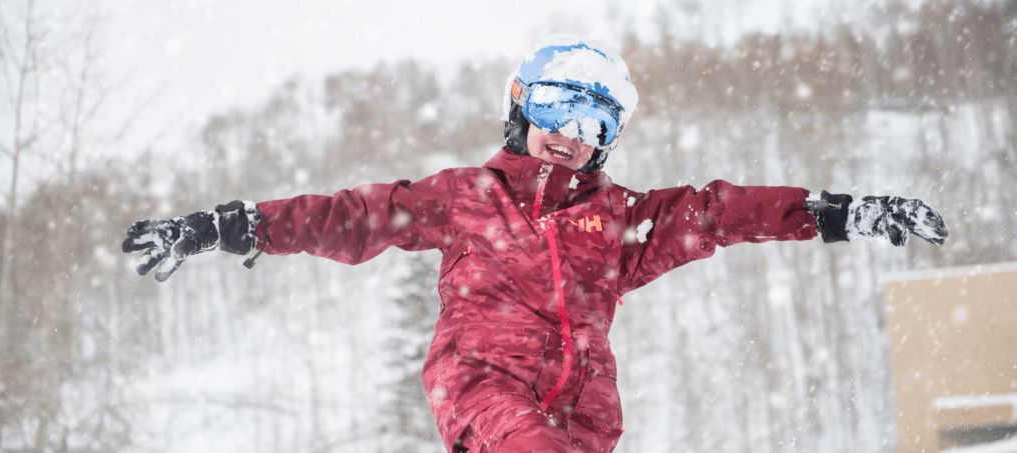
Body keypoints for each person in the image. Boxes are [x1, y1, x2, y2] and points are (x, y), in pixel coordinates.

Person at [122, 34, 948, 453]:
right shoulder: (465, 200)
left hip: (582, 414)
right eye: (556, 110)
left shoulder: (620, 222)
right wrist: (225, 225)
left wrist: (843, 211)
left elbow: (723, 212)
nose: (570, 136)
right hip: (483, 391)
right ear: (522, 111)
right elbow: (346, 216)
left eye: (593, 124)